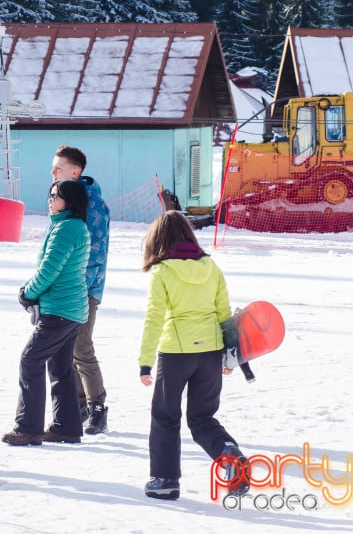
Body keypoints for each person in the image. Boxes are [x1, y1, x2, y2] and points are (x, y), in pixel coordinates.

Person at [138, 210, 249, 500]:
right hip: (210, 354)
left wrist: (145, 361)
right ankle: (228, 453)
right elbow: (224, 315)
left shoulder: (162, 271)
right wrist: (230, 355)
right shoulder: (211, 267)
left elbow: (154, 318)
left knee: (165, 416)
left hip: (176, 353)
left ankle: (165, 480)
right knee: (202, 418)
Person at [3, 179, 90, 446]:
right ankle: (67, 427)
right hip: (71, 309)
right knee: (60, 367)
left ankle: (28, 428)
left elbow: (49, 270)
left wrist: (27, 292)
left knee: (30, 360)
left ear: (71, 202)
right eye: (50, 195)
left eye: (57, 196)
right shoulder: (72, 226)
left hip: (61, 310)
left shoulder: (66, 229)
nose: (51, 200)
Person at [50, 145, 111, 434]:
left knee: (81, 346)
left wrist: (74, 281)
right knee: (65, 347)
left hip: (85, 288)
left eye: (58, 168)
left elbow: (94, 251)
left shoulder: (93, 205)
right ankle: (80, 403)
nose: (53, 172)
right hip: (65, 289)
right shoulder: (66, 200)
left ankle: (98, 406)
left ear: (74, 172)